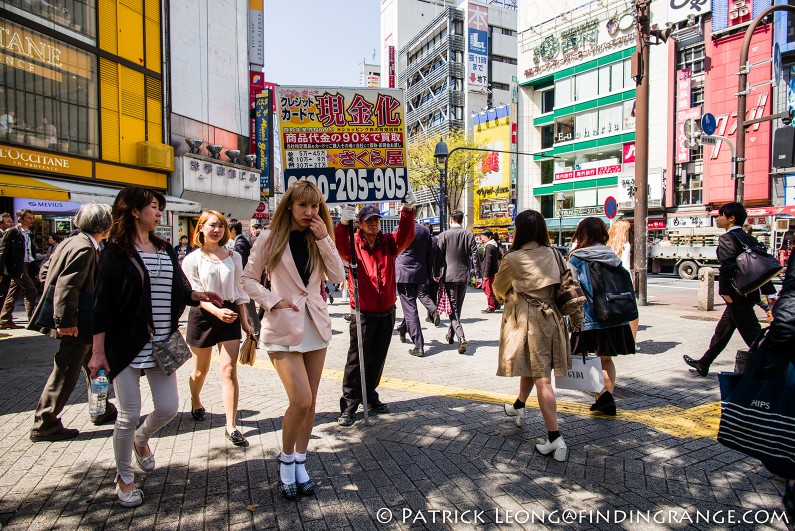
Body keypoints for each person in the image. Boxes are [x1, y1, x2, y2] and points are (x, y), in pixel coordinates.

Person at [88, 186, 222, 508]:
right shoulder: (115, 251)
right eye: (153, 207)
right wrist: (97, 351)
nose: (159, 212)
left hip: (161, 344)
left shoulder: (163, 248)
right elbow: (102, 305)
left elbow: (179, 289)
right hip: (126, 345)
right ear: (134, 211)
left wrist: (197, 296)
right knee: (128, 413)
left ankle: (141, 439)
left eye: (160, 207)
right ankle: (124, 476)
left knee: (167, 408)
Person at [241, 180, 343, 498]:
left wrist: (325, 238)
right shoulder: (270, 238)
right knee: (300, 399)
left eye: (314, 206)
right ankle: (286, 462)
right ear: (289, 206)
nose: (309, 212)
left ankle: (300, 461)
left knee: (310, 402)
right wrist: (272, 300)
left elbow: (339, 277)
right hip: (282, 326)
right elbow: (246, 279)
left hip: (315, 325)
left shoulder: (319, 237)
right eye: (303, 205)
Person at [28, 203, 117, 442]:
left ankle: (100, 408)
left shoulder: (70, 242)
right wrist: (65, 319)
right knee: (66, 371)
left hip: (83, 321)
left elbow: (45, 273)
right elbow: (69, 284)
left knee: (96, 368)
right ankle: (45, 422)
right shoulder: (86, 247)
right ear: (103, 225)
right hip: (78, 322)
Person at [494, 210, 578, 462]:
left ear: (520, 231)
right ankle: (519, 406)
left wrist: (511, 296)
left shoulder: (513, 258)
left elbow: (498, 288)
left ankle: (555, 438)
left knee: (542, 379)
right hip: (552, 319)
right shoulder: (555, 254)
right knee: (532, 368)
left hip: (528, 322)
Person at [335, 191, 417, 427]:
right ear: (359, 223)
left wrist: (408, 211)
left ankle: (370, 396)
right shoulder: (353, 244)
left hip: (387, 310)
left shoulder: (388, 242)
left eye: (376, 220)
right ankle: (349, 405)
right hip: (362, 311)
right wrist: (342, 224)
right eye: (368, 220)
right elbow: (339, 246)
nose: (374, 223)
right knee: (356, 360)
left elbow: (405, 236)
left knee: (377, 358)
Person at [181, 211, 253, 446]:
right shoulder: (192, 259)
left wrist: (245, 321)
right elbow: (196, 292)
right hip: (203, 315)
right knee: (200, 371)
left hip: (230, 312)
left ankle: (231, 425)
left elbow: (240, 290)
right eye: (212, 225)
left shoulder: (234, 256)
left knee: (229, 371)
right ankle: (195, 399)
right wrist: (216, 311)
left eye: (221, 226)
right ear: (200, 228)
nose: (217, 230)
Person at [684, 202, 776, 377]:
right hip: (748, 292)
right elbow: (762, 267)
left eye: (720, 215)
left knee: (753, 335)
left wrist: (724, 291)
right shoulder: (749, 237)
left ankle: (773, 367)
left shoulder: (728, 238)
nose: (717, 218)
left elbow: (727, 266)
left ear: (731, 218)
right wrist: (769, 292)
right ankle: (704, 363)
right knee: (723, 332)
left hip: (736, 295)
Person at [567, 217, 636, 416]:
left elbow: (572, 290)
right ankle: (607, 397)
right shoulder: (612, 255)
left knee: (588, 359)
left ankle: (602, 396)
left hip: (590, 318)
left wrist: (573, 319)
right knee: (605, 358)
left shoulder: (577, 258)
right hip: (614, 315)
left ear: (582, 234)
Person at [433, 210, 478, 353]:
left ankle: (461, 337)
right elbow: (475, 255)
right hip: (464, 276)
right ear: (461, 220)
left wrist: (435, 273)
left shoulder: (444, 235)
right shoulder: (468, 235)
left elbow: (438, 257)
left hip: (449, 276)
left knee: (452, 309)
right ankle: (450, 335)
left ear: (451, 220)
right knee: (457, 307)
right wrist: (478, 274)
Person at [395, 220, 437, 357]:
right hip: (420, 274)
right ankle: (402, 328)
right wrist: (428, 274)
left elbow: (392, 252)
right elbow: (430, 255)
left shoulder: (398, 228)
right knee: (410, 306)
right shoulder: (425, 231)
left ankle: (419, 345)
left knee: (410, 308)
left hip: (403, 274)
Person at [0, 209, 39, 329]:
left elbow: (31, 253)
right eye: (28, 218)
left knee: (13, 293)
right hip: (17, 267)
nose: (31, 220)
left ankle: (4, 319)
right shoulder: (12, 232)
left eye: (32, 218)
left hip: (26, 265)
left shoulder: (29, 233)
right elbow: (3, 251)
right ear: (20, 219)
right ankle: (32, 318)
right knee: (31, 290)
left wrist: (34, 269)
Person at [607, 219, 639, 339]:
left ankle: (615, 339)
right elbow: (625, 266)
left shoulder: (607, 246)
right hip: (624, 282)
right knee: (632, 312)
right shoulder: (626, 246)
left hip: (610, 282)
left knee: (614, 310)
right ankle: (632, 340)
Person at [229, 218, 259, 337]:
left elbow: (241, 265)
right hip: (247, 280)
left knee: (249, 308)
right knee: (248, 308)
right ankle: (254, 332)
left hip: (244, 281)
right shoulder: (242, 241)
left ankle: (256, 333)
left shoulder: (240, 243)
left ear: (233, 230)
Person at [480, 229, 502, 313]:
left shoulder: (489, 246)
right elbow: (499, 257)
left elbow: (488, 261)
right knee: (488, 289)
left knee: (488, 289)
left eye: (483, 236)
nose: (482, 238)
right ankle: (496, 303)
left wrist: (486, 274)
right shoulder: (494, 245)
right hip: (494, 271)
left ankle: (491, 306)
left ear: (489, 237)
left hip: (489, 272)